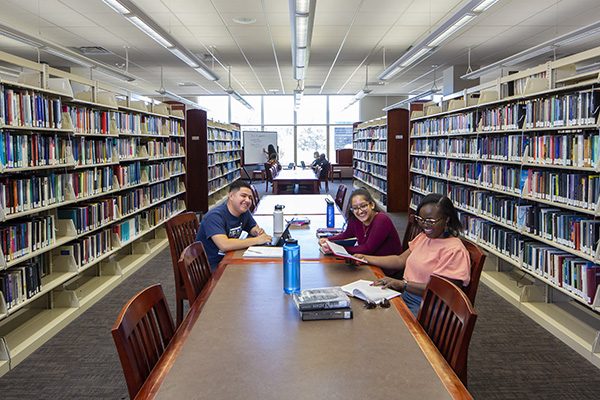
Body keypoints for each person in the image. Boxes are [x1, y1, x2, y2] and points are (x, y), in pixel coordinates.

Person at [355, 193, 470, 318]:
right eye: (421, 219)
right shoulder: (424, 237)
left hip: (430, 307)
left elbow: (443, 290)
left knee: (378, 321)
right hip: (406, 296)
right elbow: (400, 260)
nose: (425, 225)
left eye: (431, 220)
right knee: (362, 312)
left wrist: (403, 284)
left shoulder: (454, 250)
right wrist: (365, 258)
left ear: (446, 218)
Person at [318, 188, 403, 277]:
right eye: (355, 208)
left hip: (387, 271)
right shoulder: (356, 219)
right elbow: (346, 235)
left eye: (363, 206)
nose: (360, 211)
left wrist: (337, 250)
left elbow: (367, 249)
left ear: (372, 205)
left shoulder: (381, 220)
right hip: (369, 264)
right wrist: (328, 240)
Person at [195, 180, 272, 270]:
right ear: (231, 196)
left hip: (230, 257)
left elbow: (253, 227)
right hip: (210, 265)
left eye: (250, 197)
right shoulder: (214, 217)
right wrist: (257, 240)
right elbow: (224, 245)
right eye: (243, 196)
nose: (247, 200)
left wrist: (257, 231)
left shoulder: (243, 212)